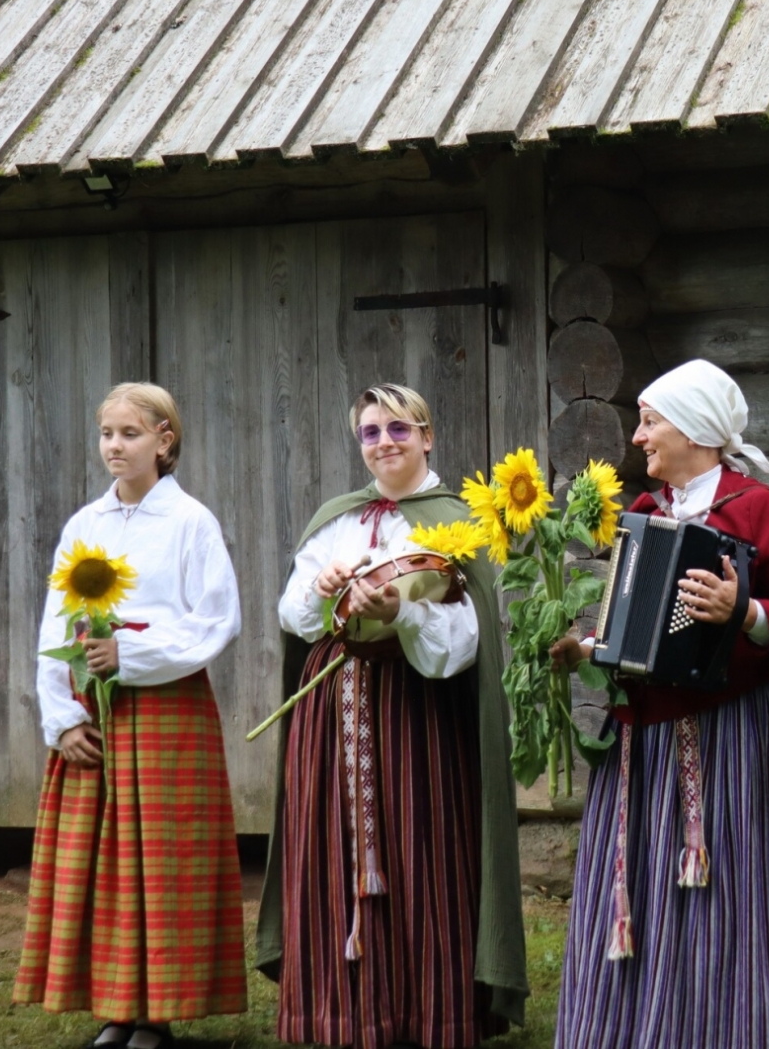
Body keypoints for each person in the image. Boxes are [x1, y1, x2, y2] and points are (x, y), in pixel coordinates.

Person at [550, 359, 769, 1049]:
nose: (639, 438)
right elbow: (626, 621)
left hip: (734, 733)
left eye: (652, 421)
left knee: (735, 890)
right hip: (644, 747)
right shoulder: (644, 516)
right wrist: (589, 645)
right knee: (644, 886)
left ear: (698, 430)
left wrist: (746, 610)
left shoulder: (756, 508)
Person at [255, 384, 527, 1049]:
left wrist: (399, 612)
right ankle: (341, 1014)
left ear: (427, 436)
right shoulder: (337, 518)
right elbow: (294, 617)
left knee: (421, 854)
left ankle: (428, 1014)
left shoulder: (459, 523)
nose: (384, 443)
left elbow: (463, 643)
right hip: (332, 714)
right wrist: (322, 592)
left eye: (398, 429)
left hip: (419, 717)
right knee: (328, 849)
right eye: (370, 433)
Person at [15, 383, 246, 1049]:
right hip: (96, 709)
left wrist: (133, 652)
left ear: (164, 441)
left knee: (160, 863)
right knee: (102, 860)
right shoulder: (84, 525)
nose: (115, 446)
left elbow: (216, 621)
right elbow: (54, 625)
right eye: (107, 433)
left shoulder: (190, 523)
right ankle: (114, 1007)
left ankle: (157, 1012)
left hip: (167, 707)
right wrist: (61, 718)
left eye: (130, 433)